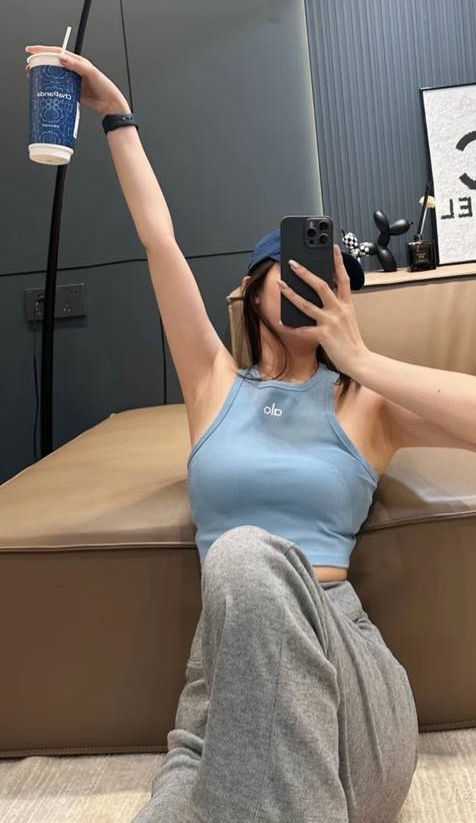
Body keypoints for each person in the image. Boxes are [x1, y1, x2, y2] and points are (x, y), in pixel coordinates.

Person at [24, 46, 420, 823]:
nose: (317, 286)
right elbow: (159, 240)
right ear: (251, 288)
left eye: (333, 280)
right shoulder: (213, 383)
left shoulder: (364, 401)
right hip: (221, 691)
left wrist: (363, 358)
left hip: (350, 682)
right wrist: (116, 116)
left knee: (243, 552)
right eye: (298, 273)